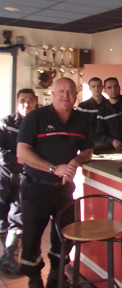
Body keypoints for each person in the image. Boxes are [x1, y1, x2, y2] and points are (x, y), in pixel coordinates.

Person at [17, 78, 93, 288]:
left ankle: (56, 275)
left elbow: (88, 150)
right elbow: (22, 152)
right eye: (61, 91)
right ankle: (33, 278)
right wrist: (53, 168)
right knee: (32, 237)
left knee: (64, 234)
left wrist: (76, 161)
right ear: (53, 93)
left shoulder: (82, 120)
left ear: (76, 94)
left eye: (70, 92)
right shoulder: (35, 117)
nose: (65, 96)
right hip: (36, 187)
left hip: (64, 190)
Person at [0, 89, 37, 274]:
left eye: (30, 100)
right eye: (23, 100)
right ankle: (6, 255)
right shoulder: (6, 123)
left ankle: (9, 256)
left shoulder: (37, 125)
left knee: (18, 215)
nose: (26, 104)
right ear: (17, 102)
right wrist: (19, 158)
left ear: (35, 102)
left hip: (25, 178)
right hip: (4, 177)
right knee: (1, 218)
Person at [96, 77, 122, 152]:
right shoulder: (102, 111)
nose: (113, 89)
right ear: (105, 90)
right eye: (109, 87)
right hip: (115, 150)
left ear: (119, 88)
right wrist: (112, 141)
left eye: (116, 86)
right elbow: (100, 134)